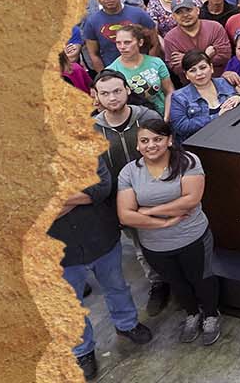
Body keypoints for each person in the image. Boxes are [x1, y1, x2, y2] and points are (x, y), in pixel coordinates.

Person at [116, 119, 223, 346]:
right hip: (154, 245)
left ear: (170, 140)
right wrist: (164, 223)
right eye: (145, 141)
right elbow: (125, 216)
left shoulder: (188, 161)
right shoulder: (129, 172)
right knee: (177, 283)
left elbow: (190, 201)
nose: (151, 145)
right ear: (137, 145)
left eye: (158, 139)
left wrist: (148, 211)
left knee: (202, 279)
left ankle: (211, 315)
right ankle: (192, 313)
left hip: (192, 238)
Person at [55, 152, 155, 380]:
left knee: (117, 286)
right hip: (58, 252)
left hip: (101, 238)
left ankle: (127, 324)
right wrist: (79, 193)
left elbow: (101, 187)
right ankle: (83, 351)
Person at [90, 71, 168, 313]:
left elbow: (168, 153)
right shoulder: (91, 129)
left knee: (171, 236)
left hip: (159, 194)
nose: (112, 97)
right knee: (141, 247)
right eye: (105, 93)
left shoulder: (147, 117)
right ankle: (158, 284)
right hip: (122, 203)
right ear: (96, 96)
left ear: (127, 90)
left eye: (117, 91)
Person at [83, 0, 162, 72]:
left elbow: (154, 42)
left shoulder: (139, 14)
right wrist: (104, 75)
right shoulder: (92, 22)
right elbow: (93, 54)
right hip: (113, 71)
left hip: (142, 68)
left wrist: (150, 67)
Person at [168, 51, 240, 143]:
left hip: (233, 136)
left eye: (203, 68)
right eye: (192, 70)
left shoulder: (225, 82)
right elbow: (181, 126)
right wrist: (216, 117)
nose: (199, 73)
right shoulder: (179, 97)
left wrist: (239, 97)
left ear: (211, 68)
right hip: (201, 144)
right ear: (186, 75)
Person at [107, 27, 174, 114]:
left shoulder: (156, 62)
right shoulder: (111, 71)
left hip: (163, 112)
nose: (122, 47)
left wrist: (167, 116)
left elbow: (169, 91)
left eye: (127, 42)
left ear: (140, 42)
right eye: (118, 43)